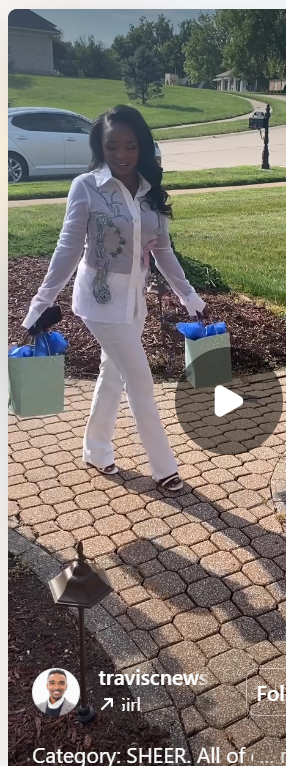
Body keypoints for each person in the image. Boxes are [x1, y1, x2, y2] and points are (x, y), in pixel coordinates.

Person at [23, 105, 209, 491]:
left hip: (134, 302)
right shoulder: (86, 186)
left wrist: (187, 294)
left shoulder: (149, 191)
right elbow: (68, 248)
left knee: (113, 374)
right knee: (140, 379)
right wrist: (42, 300)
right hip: (99, 301)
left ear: (142, 146)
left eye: (130, 145)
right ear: (100, 147)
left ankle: (96, 449)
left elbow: (163, 250)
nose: (121, 154)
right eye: (112, 146)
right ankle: (164, 467)